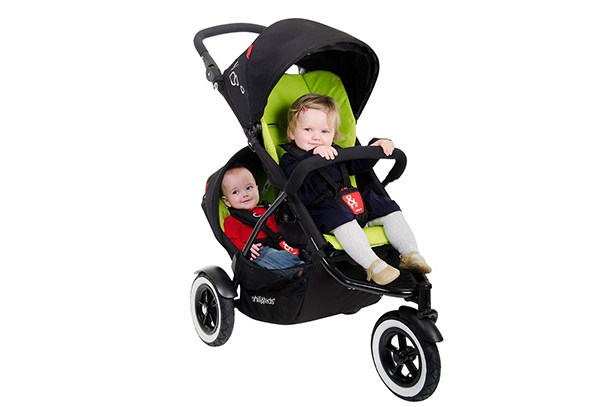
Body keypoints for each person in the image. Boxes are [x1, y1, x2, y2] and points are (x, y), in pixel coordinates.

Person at [279, 94, 431, 285]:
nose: (316, 137)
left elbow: (357, 166)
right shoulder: (290, 159)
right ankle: (373, 265)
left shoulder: (336, 152)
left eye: (324, 131)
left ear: (334, 134)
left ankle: (410, 254)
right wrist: (312, 156)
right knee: (336, 214)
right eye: (308, 129)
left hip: (351, 201)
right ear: (292, 133)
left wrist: (375, 148)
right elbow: (294, 179)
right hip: (321, 210)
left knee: (386, 205)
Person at [221, 166, 303, 275]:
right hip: (257, 252)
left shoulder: (268, 209)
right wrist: (245, 248)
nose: (245, 194)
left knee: (298, 247)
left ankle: (309, 265)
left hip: (281, 245)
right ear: (227, 201)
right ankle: (299, 270)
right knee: (270, 255)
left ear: (257, 189)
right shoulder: (232, 220)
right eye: (235, 192)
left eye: (249, 188)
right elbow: (231, 240)